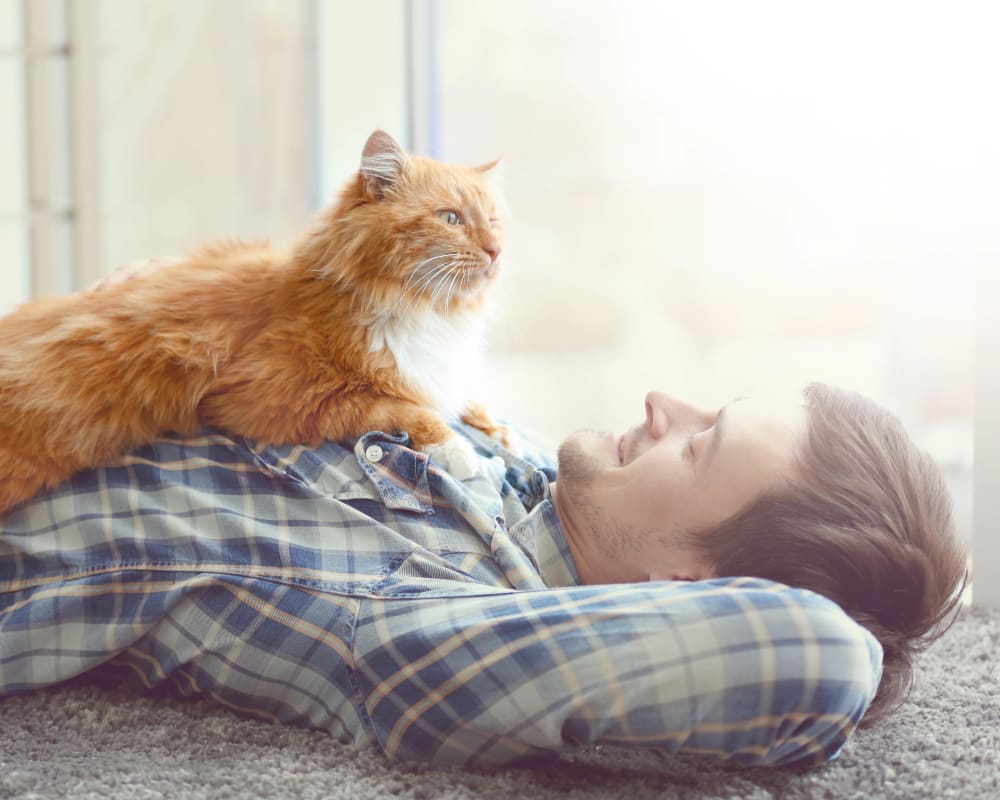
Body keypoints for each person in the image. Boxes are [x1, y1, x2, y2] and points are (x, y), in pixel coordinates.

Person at [0, 366, 967, 768]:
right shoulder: (527, 471)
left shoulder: (447, 618)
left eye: (702, 446)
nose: (663, 402)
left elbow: (813, 654)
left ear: (692, 599)